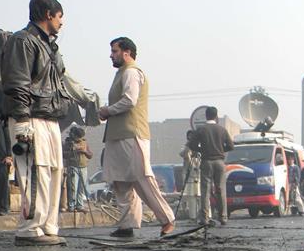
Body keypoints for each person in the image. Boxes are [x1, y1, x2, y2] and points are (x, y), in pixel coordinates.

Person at [1, 0, 73, 246]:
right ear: (48, 14)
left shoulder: (50, 46)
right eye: (60, 16)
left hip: (50, 117)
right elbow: (17, 81)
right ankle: (30, 227)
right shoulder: (22, 41)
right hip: (29, 116)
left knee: (54, 172)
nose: (62, 22)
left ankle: (48, 225)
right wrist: (21, 120)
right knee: (35, 170)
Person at [98, 37, 175, 238]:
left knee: (141, 178)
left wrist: (107, 111)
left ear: (127, 52)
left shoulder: (132, 72)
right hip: (117, 135)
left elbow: (129, 101)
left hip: (131, 134)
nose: (111, 55)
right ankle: (127, 225)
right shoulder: (121, 73)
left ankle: (167, 219)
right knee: (120, 181)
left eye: (114, 51)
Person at [188, 106, 234, 226]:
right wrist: (221, 149)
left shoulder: (201, 129)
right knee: (221, 190)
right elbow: (231, 146)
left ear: (206, 116)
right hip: (219, 162)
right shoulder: (222, 129)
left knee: (205, 190)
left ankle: (204, 218)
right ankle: (223, 217)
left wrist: (201, 149)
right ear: (216, 116)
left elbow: (191, 144)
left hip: (206, 161)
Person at [63, 125, 92, 213]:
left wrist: (84, 151)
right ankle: (71, 205)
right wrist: (73, 151)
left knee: (81, 188)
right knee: (73, 187)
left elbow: (90, 155)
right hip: (72, 166)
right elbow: (64, 155)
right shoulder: (68, 143)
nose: (79, 139)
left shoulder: (84, 142)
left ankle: (80, 205)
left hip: (83, 167)